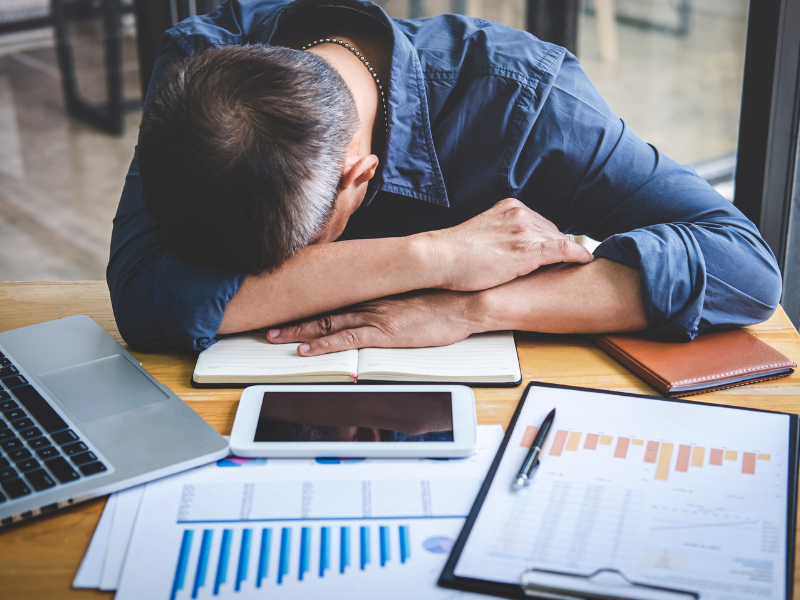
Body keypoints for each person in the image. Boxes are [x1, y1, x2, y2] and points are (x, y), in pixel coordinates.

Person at [107, 0, 782, 355]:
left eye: (281, 263)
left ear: (357, 176)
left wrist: (471, 309)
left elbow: (745, 271)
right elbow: (141, 295)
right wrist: (432, 256)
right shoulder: (197, 77)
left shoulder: (528, 104)